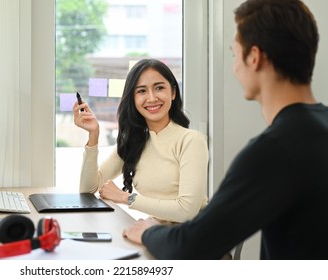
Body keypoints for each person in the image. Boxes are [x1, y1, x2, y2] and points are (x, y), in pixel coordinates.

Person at [123, 0, 328, 260]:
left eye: (234, 54)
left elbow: (189, 246)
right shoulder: (318, 128)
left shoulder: (274, 150)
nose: (234, 67)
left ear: (254, 58)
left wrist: (147, 231)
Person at [73, 58, 209, 223]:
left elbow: (186, 211)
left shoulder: (191, 141)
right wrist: (93, 135)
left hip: (193, 236)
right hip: (158, 232)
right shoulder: (133, 142)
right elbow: (88, 189)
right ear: (133, 99)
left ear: (173, 93)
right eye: (142, 91)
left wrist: (126, 198)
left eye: (159, 88)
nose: (151, 98)